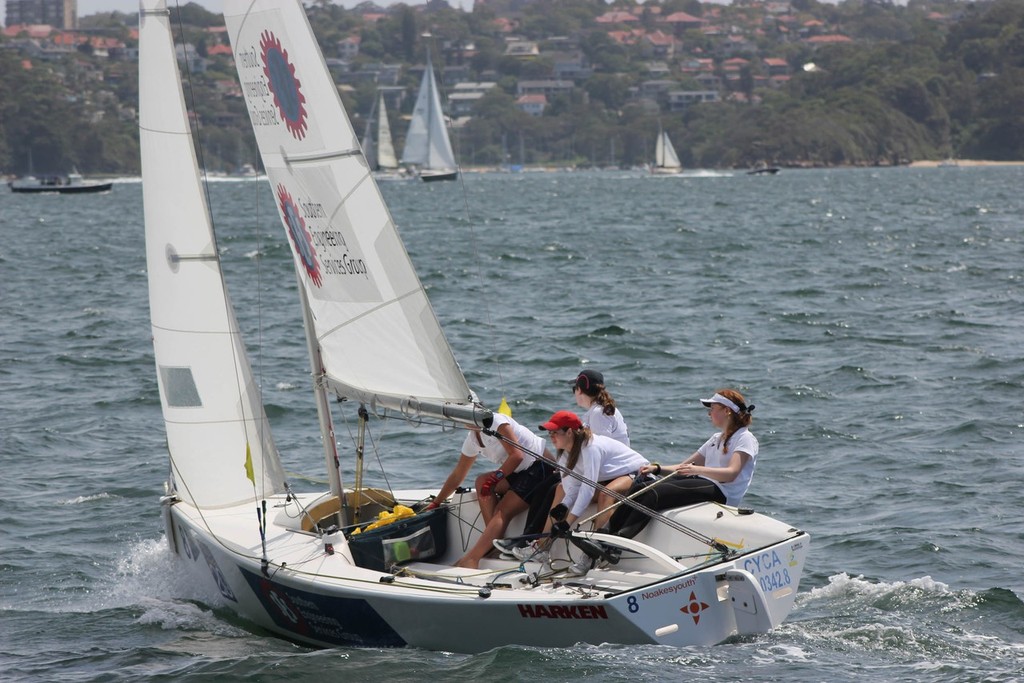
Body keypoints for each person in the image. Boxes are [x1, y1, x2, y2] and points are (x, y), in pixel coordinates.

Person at [606, 389, 758, 539]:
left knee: (654, 493)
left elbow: (731, 474)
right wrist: (657, 469)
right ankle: (607, 532)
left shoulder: (745, 438)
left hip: (722, 492)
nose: (709, 413)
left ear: (727, 411)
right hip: (703, 482)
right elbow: (682, 467)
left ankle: (619, 540)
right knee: (642, 486)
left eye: (712, 409)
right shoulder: (716, 438)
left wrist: (697, 469)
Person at [512, 410, 648, 566]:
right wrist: (564, 506)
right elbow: (572, 488)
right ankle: (543, 548)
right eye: (550, 433)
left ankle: (592, 555)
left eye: (555, 432)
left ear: (569, 432)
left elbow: (587, 490)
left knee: (605, 494)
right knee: (560, 489)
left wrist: (567, 522)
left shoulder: (591, 448)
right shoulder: (564, 455)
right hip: (608, 478)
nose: (551, 437)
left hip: (637, 474)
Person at [441, 413, 554, 569]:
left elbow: (517, 456)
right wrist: (436, 502)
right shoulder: (472, 439)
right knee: (481, 482)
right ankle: (493, 544)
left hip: (541, 466)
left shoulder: (497, 423)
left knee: (502, 511)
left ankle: (472, 559)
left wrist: (494, 479)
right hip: (520, 472)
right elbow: (458, 475)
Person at [572, 369, 630, 446]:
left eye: (574, 389)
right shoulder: (601, 409)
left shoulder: (598, 413)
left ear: (579, 390)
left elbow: (602, 449)